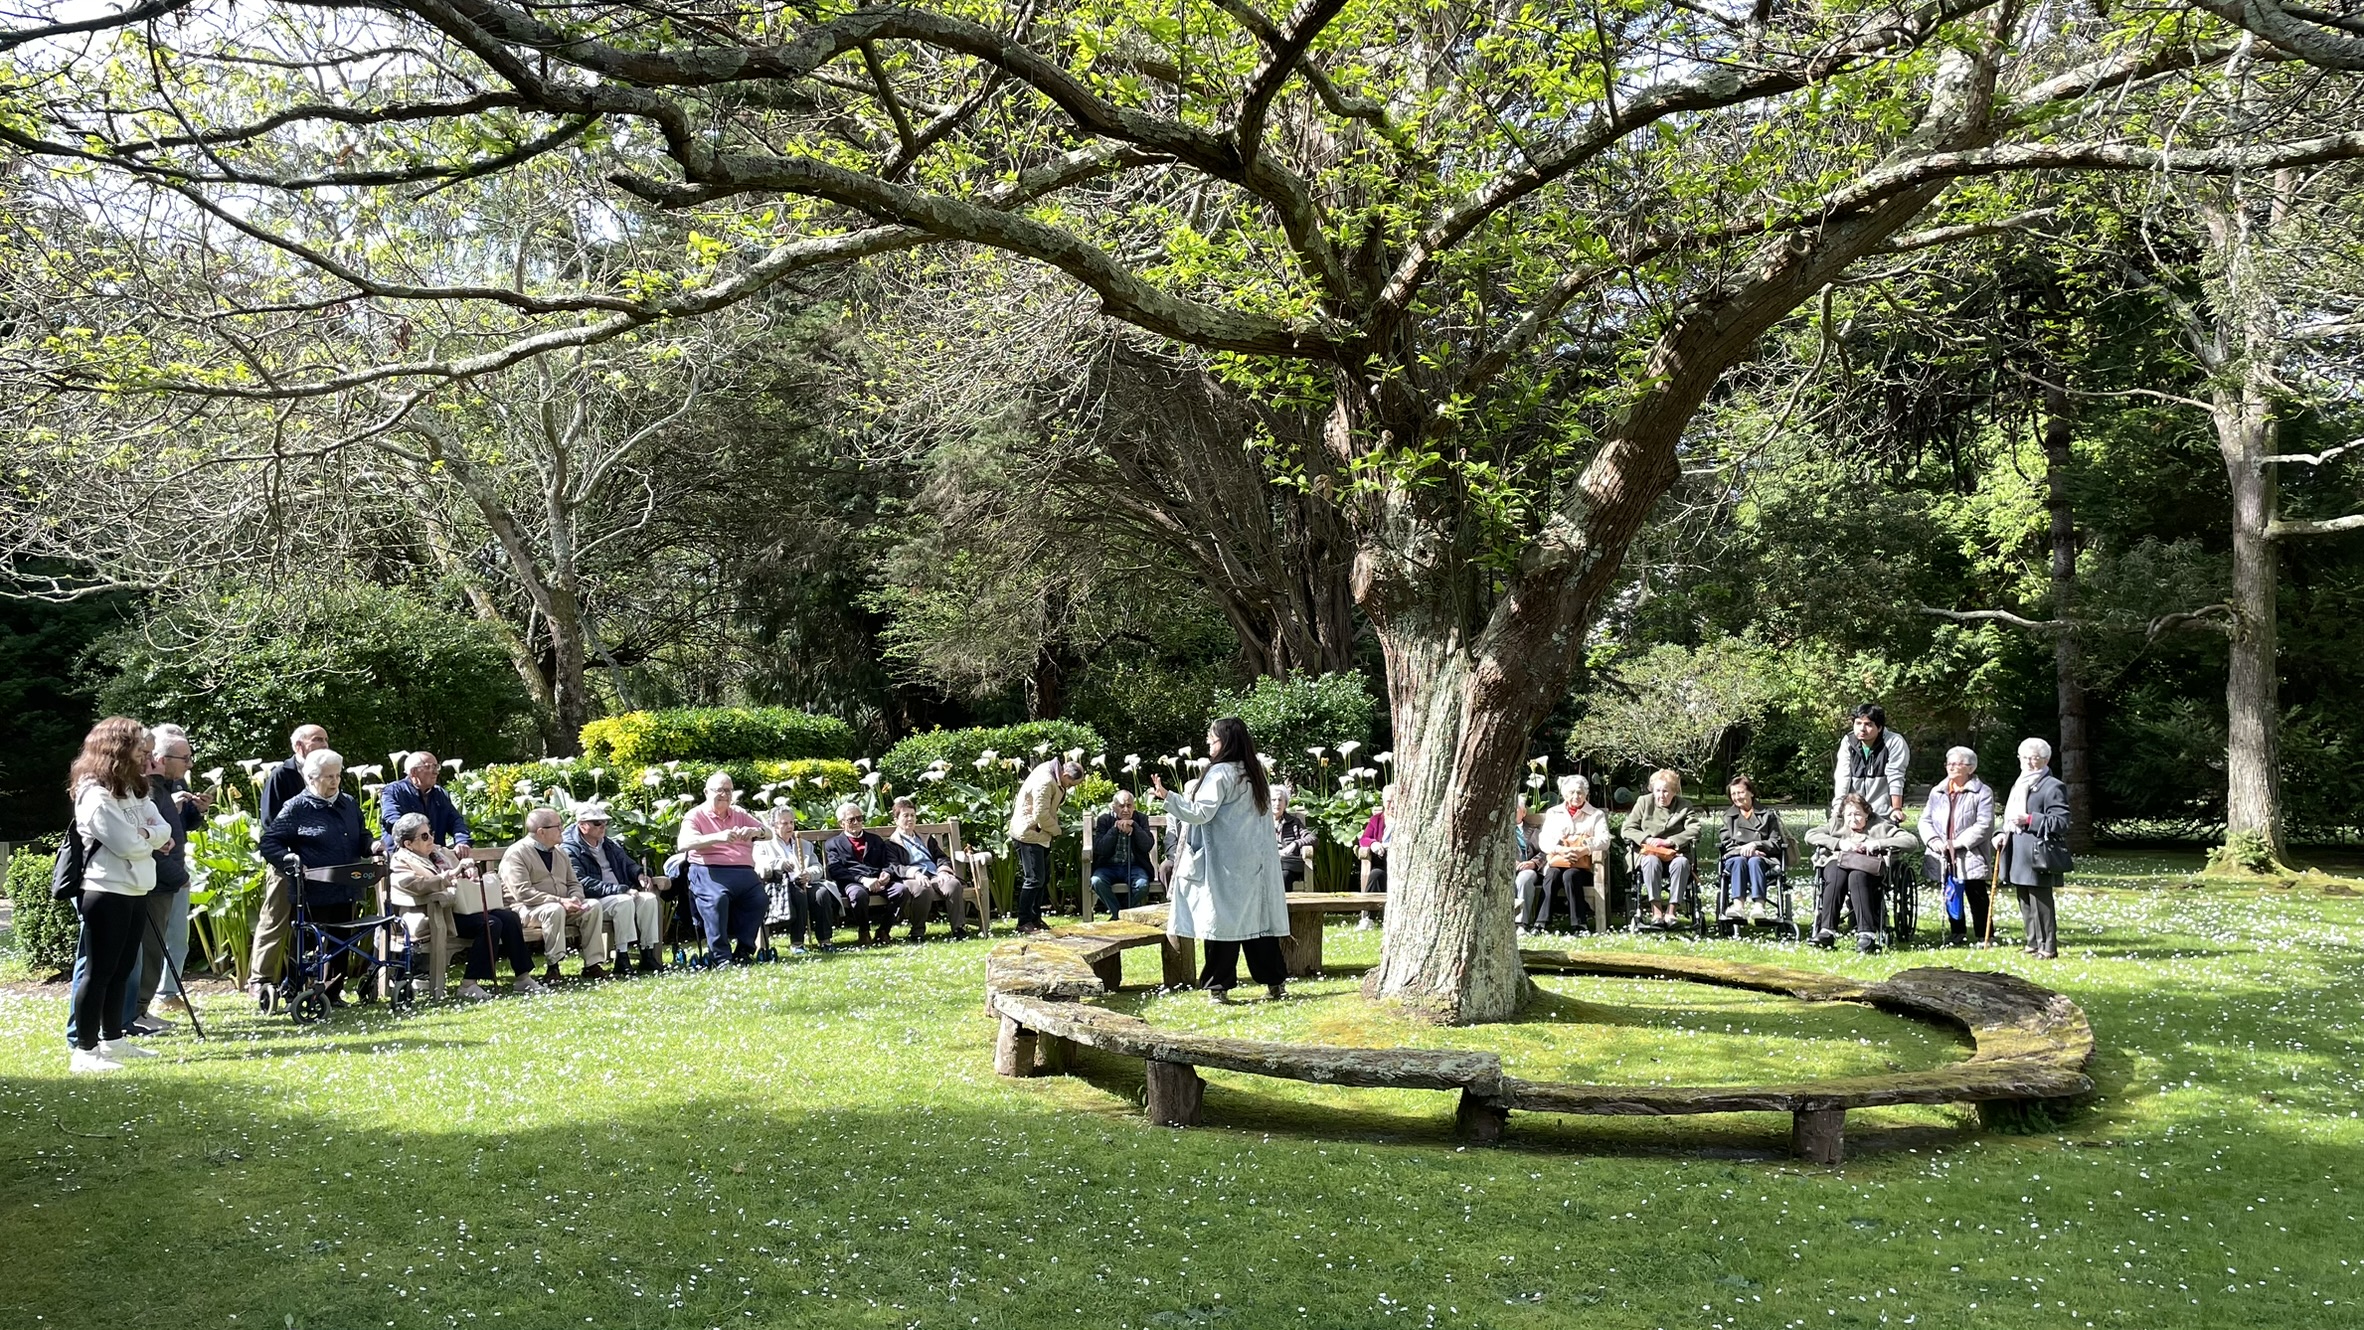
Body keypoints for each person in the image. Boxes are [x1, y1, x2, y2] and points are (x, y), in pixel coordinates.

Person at [1152, 717, 1290, 1003]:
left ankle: (1218, 987)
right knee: (1259, 926)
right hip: (1254, 864)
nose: (1208, 744)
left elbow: (1200, 813)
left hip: (1225, 865)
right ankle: (1275, 982)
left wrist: (1168, 797)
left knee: (1221, 926)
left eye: (1212, 740)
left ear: (1225, 742)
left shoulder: (1220, 774)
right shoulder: (1254, 773)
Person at [65, 718, 175, 1073]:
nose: (147, 757)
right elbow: (127, 844)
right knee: (99, 972)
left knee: (123, 969)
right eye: (141, 749)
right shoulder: (94, 793)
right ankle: (85, 1051)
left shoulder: (132, 788)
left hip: (136, 888)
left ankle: (113, 1040)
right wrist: (148, 837)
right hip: (105, 890)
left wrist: (146, 835)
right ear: (118, 749)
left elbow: (164, 828)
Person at [254, 747, 371, 1003]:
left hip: (346, 886)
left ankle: (333, 994)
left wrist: (373, 846)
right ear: (310, 778)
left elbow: (362, 835)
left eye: (337, 775)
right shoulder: (297, 807)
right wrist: (290, 861)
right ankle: (298, 991)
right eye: (328, 777)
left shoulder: (348, 803)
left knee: (341, 941)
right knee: (309, 944)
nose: (335, 781)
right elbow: (269, 842)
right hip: (313, 891)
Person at [390, 812, 542, 999]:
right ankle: (469, 984)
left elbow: (461, 869)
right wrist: (449, 876)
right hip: (435, 915)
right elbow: (413, 885)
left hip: (463, 907)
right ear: (408, 844)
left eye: (430, 833)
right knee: (490, 923)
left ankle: (523, 978)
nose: (431, 838)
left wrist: (469, 869)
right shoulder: (400, 861)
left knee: (509, 917)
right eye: (424, 836)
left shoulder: (439, 852)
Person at [118, 725, 207, 1036]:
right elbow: (149, 843)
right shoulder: (148, 789)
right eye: (146, 754)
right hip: (154, 881)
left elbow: (170, 831)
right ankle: (135, 1012)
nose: (189, 764)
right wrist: (178, 875)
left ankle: (140, 1010)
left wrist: (194, 812)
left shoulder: (165, 786)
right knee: (148, 951)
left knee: (156, 949)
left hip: (165, 880)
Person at [503, 807, 612, 981]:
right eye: (558, 826)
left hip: (561, 907)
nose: (563, 829)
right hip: (526, 910)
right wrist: (560, 901)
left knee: (592, 906)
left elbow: (574, 883)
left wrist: (576, 898)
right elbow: (523, 893)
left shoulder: (560, 852)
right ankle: (553, 967)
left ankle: (592, 965)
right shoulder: (517, 853)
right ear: (541, 832)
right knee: (554, 910)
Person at [676, 771, 769, 964]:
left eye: (728, 790)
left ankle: (744, 951)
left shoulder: (739, 813)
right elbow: (683, 843)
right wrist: (718, 837)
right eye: (719, 790)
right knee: (717, 900)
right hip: (708, 871)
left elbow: (769, 833)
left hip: (743, 871)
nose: (725, 795)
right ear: (706, 792)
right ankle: (720, 957)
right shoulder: (695, 815)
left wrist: (755, 831)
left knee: (759, 899)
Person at [1807, 792, 1919, 952]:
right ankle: (1827, 931)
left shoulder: (1879, 825)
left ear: (1867, 813)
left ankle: (1866, 934)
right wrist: (1839, 843)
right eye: (1849, 814)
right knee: (1837, 875)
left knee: (1857, 876)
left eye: (1858, 814)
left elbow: (1911, 841)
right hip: (1838, 862)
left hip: (1867, 867)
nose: (1853, 818)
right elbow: (1810, 835)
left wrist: (1877, 844)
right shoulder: (1836, 823)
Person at [564, 803, 664, 974]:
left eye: (605, 822)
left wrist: (640, 875)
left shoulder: (608, 843)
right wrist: (620, 890)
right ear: (582, 825)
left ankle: (647, 954)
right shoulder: (570, 849)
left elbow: (628, 863)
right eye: (597, 823)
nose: (603, 826)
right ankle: (622, 956)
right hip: (593, 899)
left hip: (619, 893)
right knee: (623, 902)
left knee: (649, 899)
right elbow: (582, 882)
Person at [1995, 737, 2072, 959]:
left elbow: (2061, 822)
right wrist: (2000, 833)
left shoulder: (2052, 785)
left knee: (2041, 901)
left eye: (2034, 758)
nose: (2028, 762)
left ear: (2046, 760)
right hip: (2017, 849)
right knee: (2024, 899)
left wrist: (2030, 819)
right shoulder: (2020, 783)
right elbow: (2009, 817)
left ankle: (2048, 947)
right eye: (2024, 757)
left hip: (2039, 852)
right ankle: (2032, 943)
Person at [1919, 747, 1996, 946]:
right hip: (1943, 852)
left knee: (1976, 893)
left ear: (1970, 768)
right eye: (1949, 763)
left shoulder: (1982, 792)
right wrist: (1933, 841)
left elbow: (1985, 824)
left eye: (1956, 764)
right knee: (1951, 893)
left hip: (1970, 852)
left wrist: (1958, 843)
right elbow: (1925, 820)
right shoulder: (1937, 792)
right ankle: (1957, 932)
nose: (1951, 767)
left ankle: (1984, 934)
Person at [1007, 757, 1083, 934]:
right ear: (1065, 775)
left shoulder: (1052, 774)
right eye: (1071, 784)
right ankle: (1024, 922)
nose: (1069, 788)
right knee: (1034, 879)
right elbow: (1040, 815)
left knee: (1042, 879)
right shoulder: (1046, 780)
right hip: (1028, 834)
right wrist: (1056, 830)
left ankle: (1035, 919)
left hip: (1040, 834)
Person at [1621, 769, 1702, 927]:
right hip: (1648, 852)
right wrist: (1648, 839)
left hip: (1675, 853)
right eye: (1657, 790)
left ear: (1674, 791)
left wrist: (1670, 841)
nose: (1661, 795)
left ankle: (1671, 912)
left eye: (1665, 791)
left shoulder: (1684, 806)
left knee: (1682, 863)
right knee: (1651, 861)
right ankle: (1656, 912)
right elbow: (1628, 828)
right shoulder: (1644, 802)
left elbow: (1695, 829)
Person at [753, 804, 837, 952]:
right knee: (799, 894)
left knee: (822, 894)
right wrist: (779, 864)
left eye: (791, 822)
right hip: (780, 886)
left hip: (805, 882)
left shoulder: (804, 844)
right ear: (774, 826)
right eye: (784, 823)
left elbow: (817, 867)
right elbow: (760, 865)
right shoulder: (764, 845)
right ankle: (797, 943)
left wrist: (809, 874)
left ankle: (825, 941)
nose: (789, 826)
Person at [824, 801, 910, 944]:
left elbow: (888, 862)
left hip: (878, 880)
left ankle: (884, 930)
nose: (856, 822)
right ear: (841, 823)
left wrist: (886, 873)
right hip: (853, 882)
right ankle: (864, 931)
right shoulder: (833, 843)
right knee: (858, 894)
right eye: (851, 820)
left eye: (859, 818)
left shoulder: (875, 840)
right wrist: (862, 880)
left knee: (901, 890)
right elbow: (835, 870)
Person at [1533, 775, 1610, 932]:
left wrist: (1583, 850)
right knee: (1552, 874)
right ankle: (1541, 922)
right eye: (1572, 792)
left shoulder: (1596, 815)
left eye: (1580, 792)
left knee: (1571, 875)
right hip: (1558, 860)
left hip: (1583, 866)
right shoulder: (1554, 813)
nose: (1576, 796)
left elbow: (1605, 840)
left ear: (1586, 794)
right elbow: (1544, 840)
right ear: (1565, 794)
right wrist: (1561, 850)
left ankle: (1579, 924)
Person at [885, 796, 969, 940]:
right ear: (896, 820)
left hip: (935, 875)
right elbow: (895, 866)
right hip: (912, 878)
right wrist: (916, 874)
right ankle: (917, 932)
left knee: (953, 884)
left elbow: (941, 857)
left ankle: (958, 929)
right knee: (924, 889)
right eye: (905, 816)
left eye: (913, 815)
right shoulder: (891, 844)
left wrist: (943, 871)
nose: (910, 819)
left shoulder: (925, 839)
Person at [1716, 775, 1787, 923]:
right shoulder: (1728, 816)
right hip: (1736, 858)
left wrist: (1756, 844)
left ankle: (1759, 906)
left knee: (1755, 861)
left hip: (1764, 858)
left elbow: (1775, 842)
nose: (1737, 797)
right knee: (1740, 861)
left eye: (1741, 792)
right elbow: (1726, 842)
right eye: (1733, 794)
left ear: (1751, 793)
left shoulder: (1768, 815)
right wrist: (1744, 850)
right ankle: (1738, 906)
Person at [378, 751, 473, 854]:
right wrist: (416, 838)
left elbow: (455, 821)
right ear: (414, 772)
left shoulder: (440, 794)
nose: (436, 772)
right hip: (402, 857)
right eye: (430, 767)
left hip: (434, 857)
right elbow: (392, 820)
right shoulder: (393, 791)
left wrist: (462, 841)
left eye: (436, 767)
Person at [1834, 703, 1910, 823]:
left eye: (1868, 724)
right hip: (1854, 815)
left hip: (1883, 815)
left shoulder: (1894, 742)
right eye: (1858, 723)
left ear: (1879, 727)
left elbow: (1896, 776)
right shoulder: (1848, 742)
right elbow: (1842, 777)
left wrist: (1896, 809)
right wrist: (1838, 809)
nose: (1862, 729)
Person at [1089, 789, 1158, 918]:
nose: (1126, 810)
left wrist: (1135, 827)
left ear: (1134, 806)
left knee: (1142, 885)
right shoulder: (1104, 819)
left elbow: (1147, 845)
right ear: (1114, 807)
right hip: (1108, 866)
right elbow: (1100, 848)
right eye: (1121, 806)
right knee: (1097, 881)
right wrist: (1115, 829)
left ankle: (1118, 914)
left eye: (1129, 806)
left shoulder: (1141, 819)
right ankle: (1120, 915)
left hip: (1134, 866)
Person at [256, 723, 327, 827]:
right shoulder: (281, 775)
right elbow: (270, 820)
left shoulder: (330, 773)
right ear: (299, 746)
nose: (325, 745)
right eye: (318, 740)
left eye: (326, 740)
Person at [1510, 796, 1548, 933]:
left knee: (1523, 879)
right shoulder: (1500, 832)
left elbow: (1545, 851)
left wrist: (1532, 863)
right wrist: (1509, 862)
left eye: (1515, 809)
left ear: (1524, 812)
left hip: (1528, 870)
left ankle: (1521, 924)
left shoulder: (1534, 831)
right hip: (1505, 869)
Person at [1273, 786, 1316, 890]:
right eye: (1273, 800)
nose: (1277, 803)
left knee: (1284, 875)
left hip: (1288, 864)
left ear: (1285, 804)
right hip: (1268, 862)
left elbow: (1313, 839)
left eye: (1280, 800)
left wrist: (1294, 844)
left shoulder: (1294, 822)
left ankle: (1284, 901)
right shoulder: (1261, 823)